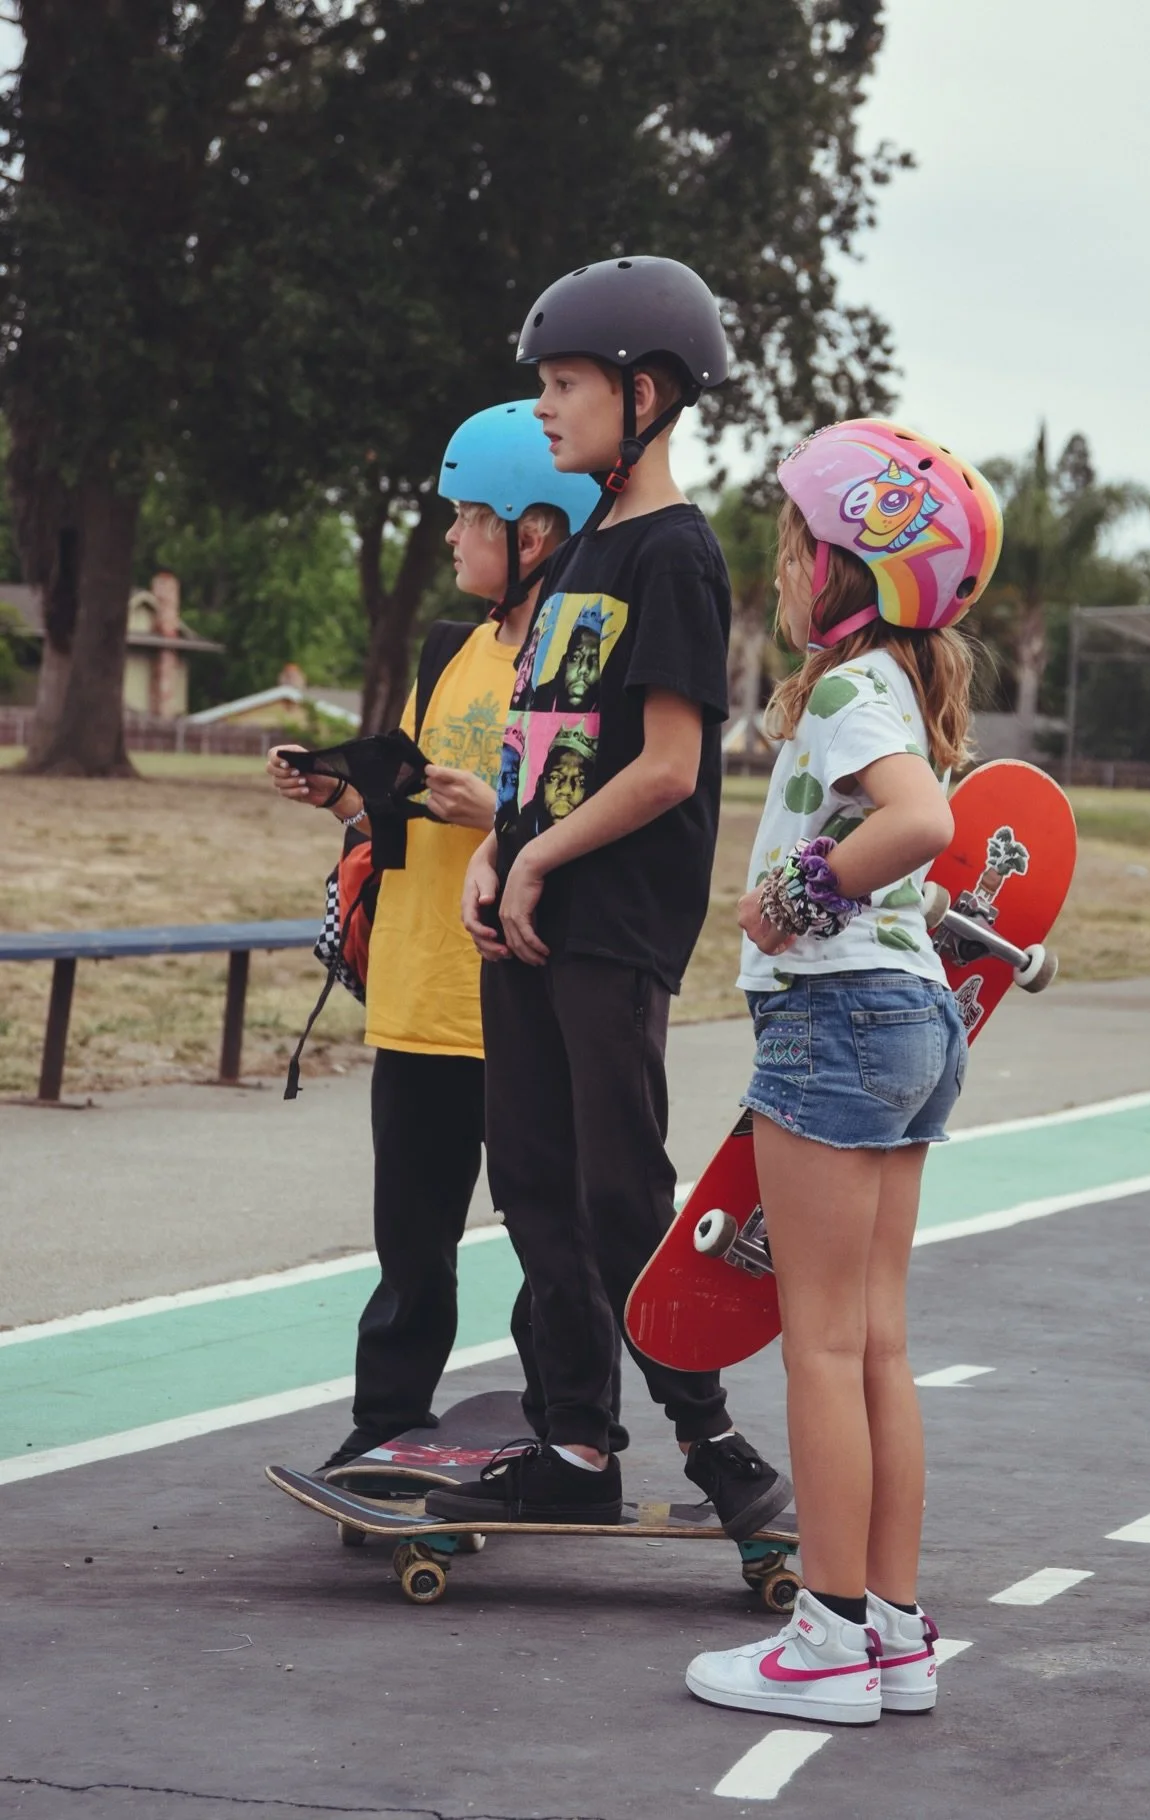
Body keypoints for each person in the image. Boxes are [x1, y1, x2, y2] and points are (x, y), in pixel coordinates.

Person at [436, 256, 790, 1538]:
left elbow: (671, 767)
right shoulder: (584, 541)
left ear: (645, 393)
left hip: (612, 920)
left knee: (619, 1186)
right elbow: (543, 733)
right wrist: (494, 852)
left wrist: (533, 857)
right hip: (530, 906)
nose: (546, 407)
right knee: (529, 1172)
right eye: (544, 384)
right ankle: (577, 1438)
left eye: (567, 383)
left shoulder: (677, 558)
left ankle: (716, 1441)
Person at [684, 418, 1003, 1725]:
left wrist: (793, 895)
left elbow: (923, 823)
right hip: (914, 1023)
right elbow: (927, 844)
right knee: (872, 1343)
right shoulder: (897, 692)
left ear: (851, 569)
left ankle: (821, 1639)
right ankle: (892, 1632)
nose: (782, 565)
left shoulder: (843, 688)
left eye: (798, 543)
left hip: (836, 1021)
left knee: (816, 1344)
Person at [266, 399, 603, 1473]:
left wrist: (495, 819)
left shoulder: (577, 655)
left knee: (551, 1240)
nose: (451, 535)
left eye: (468, 515)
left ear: (534, 533)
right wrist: (343, 794)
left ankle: (567, 1427)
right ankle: (387, 1419)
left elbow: (590, 815)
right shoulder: (452, 647)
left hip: (512, 995)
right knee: (409, 1243)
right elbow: (410, 801)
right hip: (417, 991)